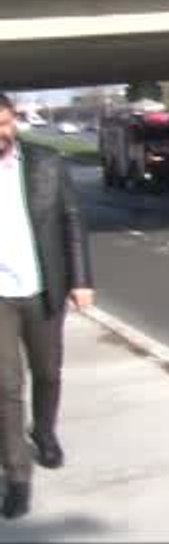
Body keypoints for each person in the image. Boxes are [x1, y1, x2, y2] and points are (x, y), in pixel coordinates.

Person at [0, 92, 94, 520]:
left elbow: (72, 221)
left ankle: (45, 431)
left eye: (2, 123)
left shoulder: (46, 162)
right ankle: (18, 478)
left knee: (48, 373)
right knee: (5, 387)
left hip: (42, 288)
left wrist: (81, 280)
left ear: (13, 121)